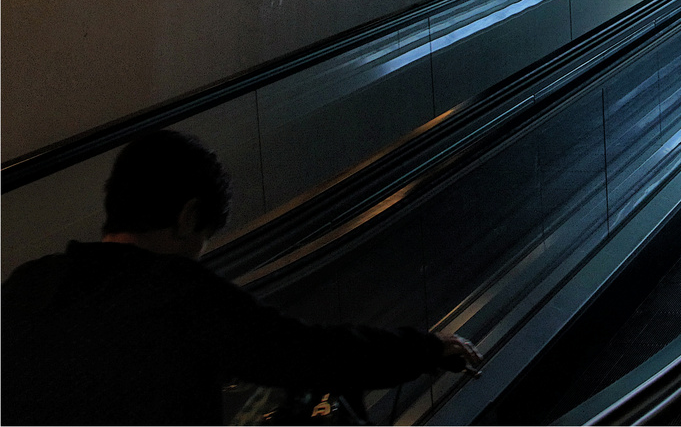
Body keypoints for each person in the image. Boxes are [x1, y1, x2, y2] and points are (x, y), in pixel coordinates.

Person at [3, 131, 483, 425]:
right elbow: (304, 353)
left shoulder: (27, 286)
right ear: (188, 217)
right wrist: (427, 348)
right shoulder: (177, 293)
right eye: (203, 239)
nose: (196, 256)